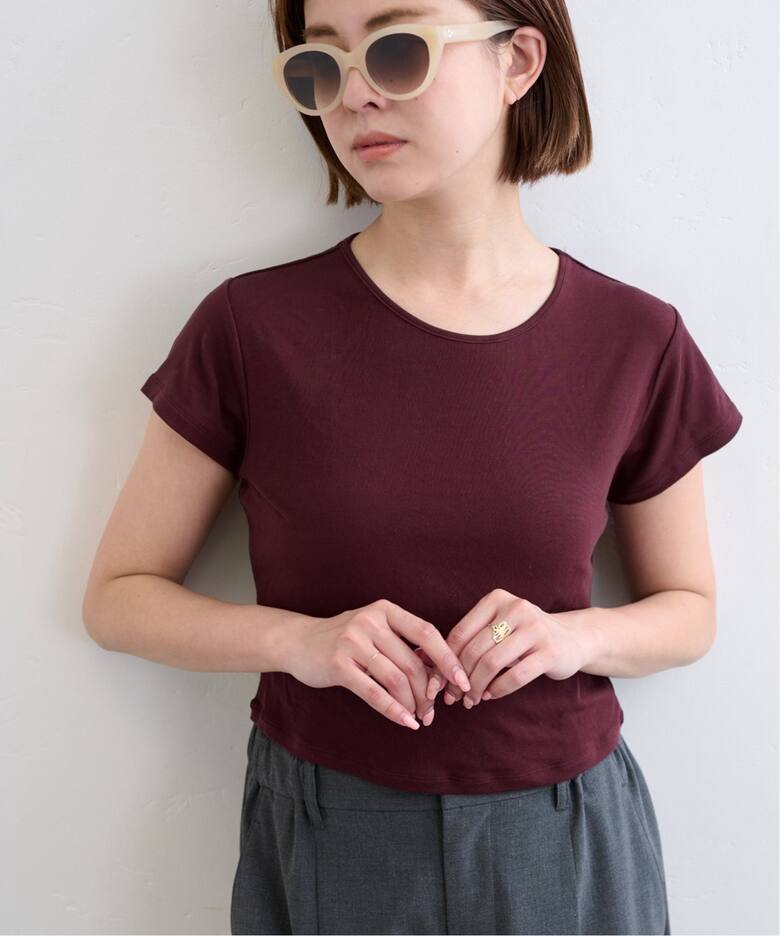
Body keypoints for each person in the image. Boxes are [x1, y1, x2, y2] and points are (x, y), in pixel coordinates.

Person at [82, 0, 744, 933]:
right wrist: (300, 643)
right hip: (330, 832)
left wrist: (572, 639)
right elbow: (118, 597)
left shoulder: (634, 338)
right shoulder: (251, 330)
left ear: (518, 62)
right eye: (321, 66)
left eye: (397, 51)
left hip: (566, 835)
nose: (353, 95)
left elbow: (691, 610)